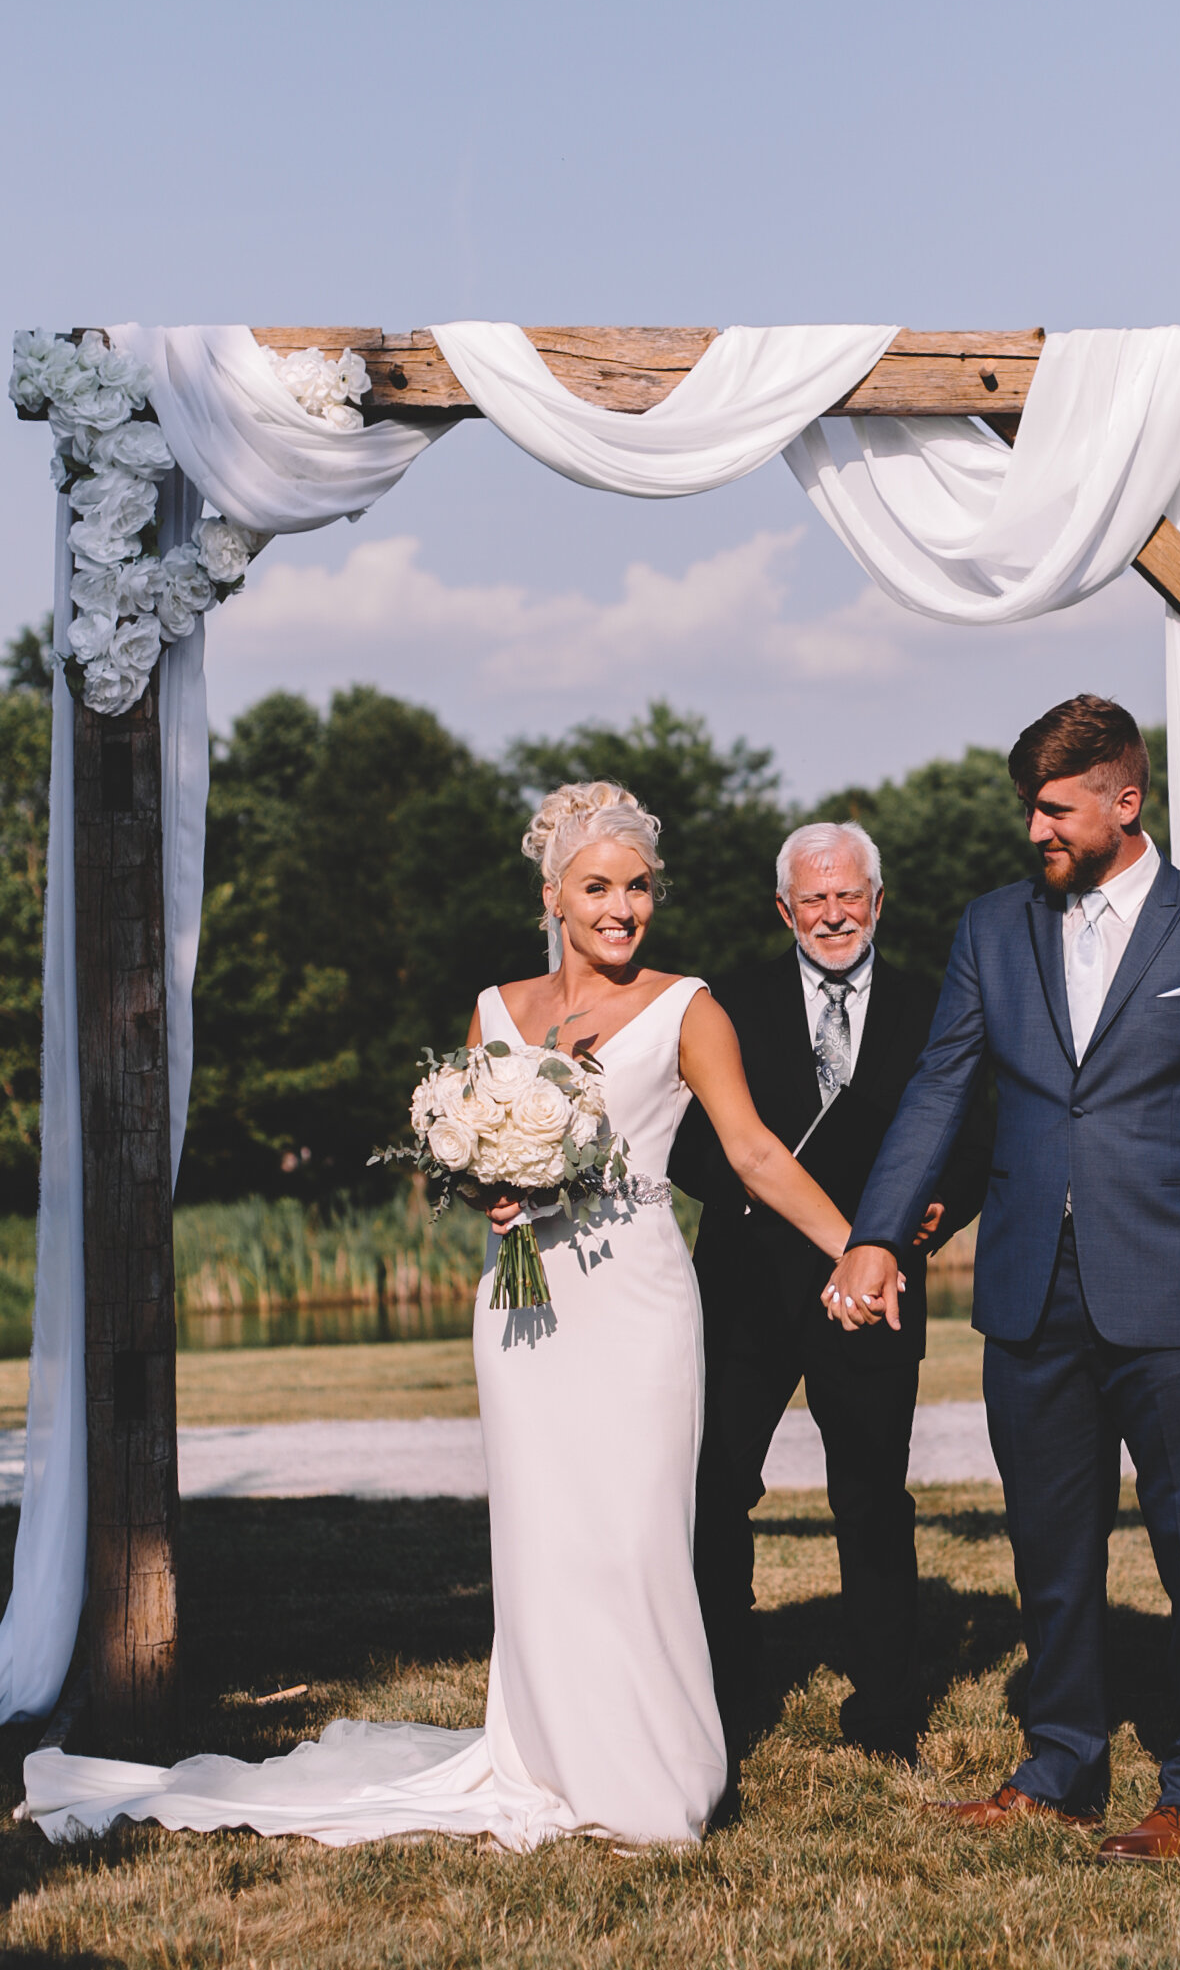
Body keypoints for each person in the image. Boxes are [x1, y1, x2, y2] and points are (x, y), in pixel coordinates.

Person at [24, 781, 854, 1852]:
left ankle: (649, 1769)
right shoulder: (495, 1009)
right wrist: (487, 1185)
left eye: (638, 886)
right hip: (524, 1307)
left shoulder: (688, 1005)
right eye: (596, 885)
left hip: (639, 1302)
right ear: (553, 893)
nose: (621, 906)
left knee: (637, 1533)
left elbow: (747, 1152)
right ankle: (548, 1754)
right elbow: (460, 1148)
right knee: (544, 1537)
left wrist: (858, 1244)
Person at [822, 696, 1180, 1864]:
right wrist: (875, 1234)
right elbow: (937, 1092)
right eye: (1027, 808)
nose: (1033, 828)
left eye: (1053, 806)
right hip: (1026, 1295)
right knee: (1050, 1547)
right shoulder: (991, 927)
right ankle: (1059, 1768)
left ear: (1122, 799)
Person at [670, 821, 987, 1761]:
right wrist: (790, 1199)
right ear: (784, 910)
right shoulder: (725, 1006)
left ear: (877, 901)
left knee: (872, 1496)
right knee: (715, 1487)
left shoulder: (936, 1006)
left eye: (849, 894)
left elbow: (975, 1136)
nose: (833, 913)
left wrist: (931, 1213)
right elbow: (692, 1149)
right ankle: (726, 1690)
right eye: (814, 898)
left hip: (877, 1291)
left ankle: (887, 1707)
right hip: (744, 1287)